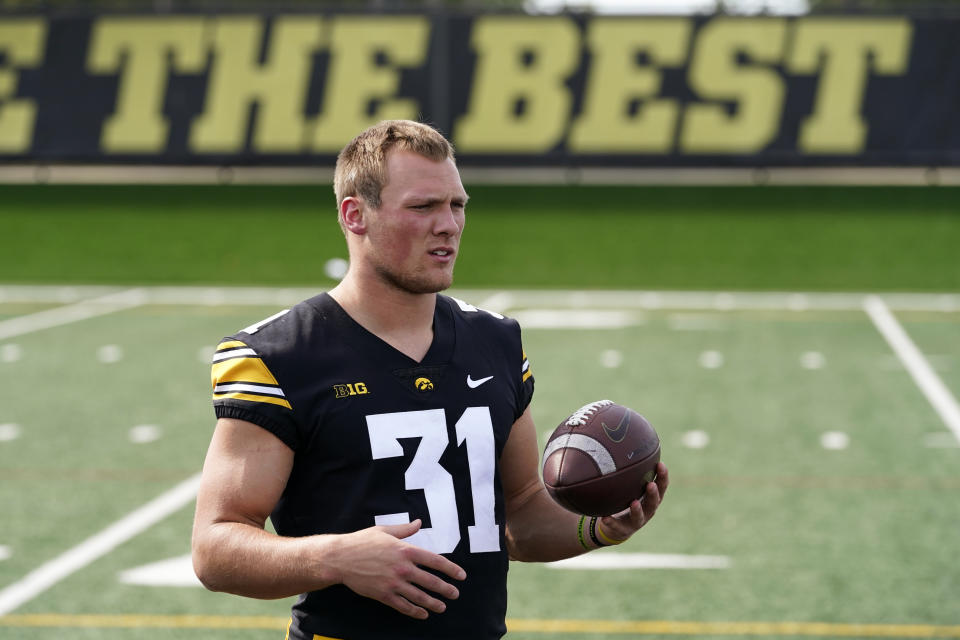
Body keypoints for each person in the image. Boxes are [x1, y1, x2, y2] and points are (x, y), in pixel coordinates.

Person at [191, 119, 669, 640]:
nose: (448, 225)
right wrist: (335, 557)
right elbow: (215, 548)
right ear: (356, 215)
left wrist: (596, 527)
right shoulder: (280, 355)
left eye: (457, 205)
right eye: (423, 207)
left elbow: (522, 513)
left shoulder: (497, 341)